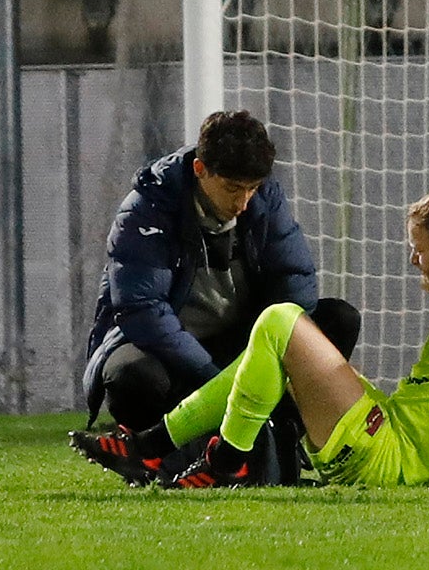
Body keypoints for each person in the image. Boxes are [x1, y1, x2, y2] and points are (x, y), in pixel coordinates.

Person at [71, 187, 429, 489]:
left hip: (388, 455)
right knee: (277, 348)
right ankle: (156, 444)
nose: (412, 258)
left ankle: (228, 458)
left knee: (277, 322)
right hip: (413, 455)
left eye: (419, 246)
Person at [80, 109, 359, 483]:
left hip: (241, 343)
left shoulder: (266, 201)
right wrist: (221, 380)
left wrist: (257, 360)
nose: (243, 201)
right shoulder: (146, 207)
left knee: (337, 320)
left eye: (252, 188)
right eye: (232, 188)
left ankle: (278, 442)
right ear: (199, 170)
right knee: (131, 375)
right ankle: (160, 458)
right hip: (172, 352)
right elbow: (143, 312)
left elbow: (295, 283)